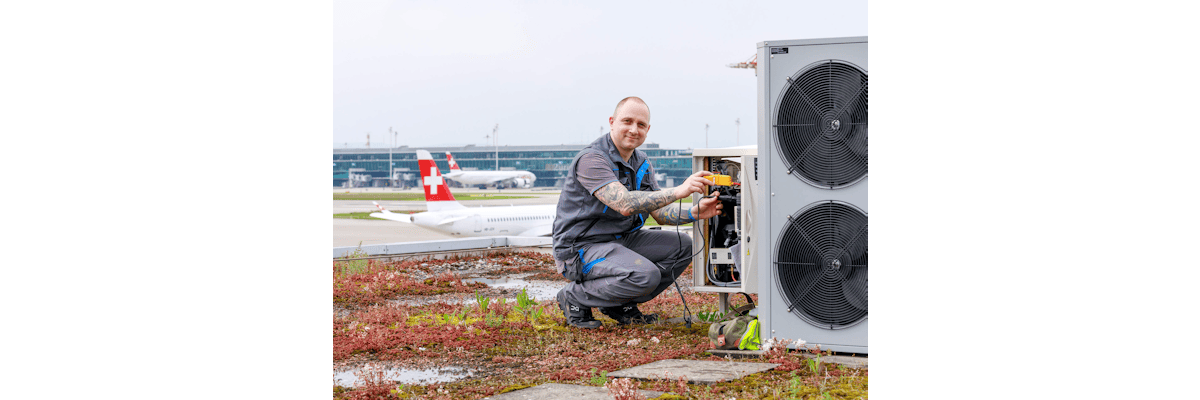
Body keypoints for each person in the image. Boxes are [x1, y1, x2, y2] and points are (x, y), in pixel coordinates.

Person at [552, 96, 723, 329]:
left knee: (684, 245)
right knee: (645, 275)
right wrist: (679, 191)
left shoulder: (640, 161)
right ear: (612, 122)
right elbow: (624, 203)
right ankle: (574, 296)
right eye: (627, 121)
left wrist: (695, 212)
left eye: (641, 125)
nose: (634, 129)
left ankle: (620, 303)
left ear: (648, 129)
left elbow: (660, 213)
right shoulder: (592, 159)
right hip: (581, 249)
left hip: (621, 241)